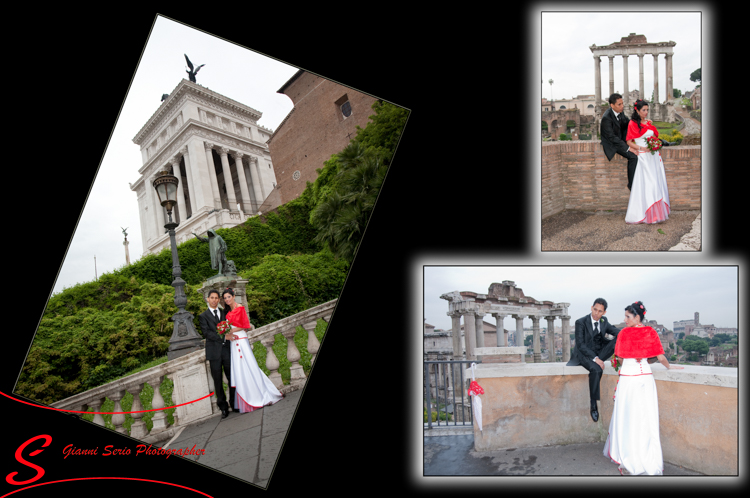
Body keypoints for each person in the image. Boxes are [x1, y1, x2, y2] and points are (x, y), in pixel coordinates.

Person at [603, 301, 684, 475]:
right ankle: (646, 455)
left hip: (628, 378)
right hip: (645, 378)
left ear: (637, 317)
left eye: (627, 316)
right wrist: (670, 367)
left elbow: (620, 359)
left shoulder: (624, 334)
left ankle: (627, 453)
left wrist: (634, 357)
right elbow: (661, 358)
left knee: (628, 416)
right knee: (646, 417)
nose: (625, 320)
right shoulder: (651, 332)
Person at [222, 288, 284, 413]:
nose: (227, 299)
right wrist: (226, 331)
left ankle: (263, 394)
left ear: (233, 296)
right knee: (240, 368)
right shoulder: (228, 311)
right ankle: (248, 395)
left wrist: (230, 331)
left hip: (241, 339)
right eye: (225, 298)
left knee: (249, 364)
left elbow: (246, 325)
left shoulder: (240, 308)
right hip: (234, 342)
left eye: (229, 297)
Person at [566, 298, 620, 422]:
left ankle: (597, 361)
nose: (596, 313)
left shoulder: (604, 321)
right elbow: (580, 345)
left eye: (600, 311)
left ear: (604, 313)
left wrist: (633, 333)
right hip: (583, 355)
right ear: (591, 308)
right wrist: (595, 359)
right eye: (595, 309)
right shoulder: (581, 322)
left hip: (599, 353)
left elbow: (616, 332)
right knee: (596, 370)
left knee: (618, 339)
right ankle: (593, 404)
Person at [624, 99, 672, 224]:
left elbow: (654, 137)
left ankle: (656, 214)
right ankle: (646, 214)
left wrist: (655, 144)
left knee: (657, 182)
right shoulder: (632, 124)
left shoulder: (649, 123)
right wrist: (641, 148)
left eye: (647, 110)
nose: (646, 112)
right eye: (643, 110)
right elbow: (629, 142)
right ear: (637, 110)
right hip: (644, 157)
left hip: (654, 156)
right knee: (649, 184)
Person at [198, 289, 235, 419]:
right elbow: (207, 333)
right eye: (212, 298)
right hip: (214, 353)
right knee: (217, 380)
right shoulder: (203, 316)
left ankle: (234, 402)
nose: (214, 300)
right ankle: (223, 407)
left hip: (227, 350)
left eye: (216, 298)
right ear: (207, 299)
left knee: (232, 377)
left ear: (219, 300)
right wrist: (224, 338)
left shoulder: (224, 312)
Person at [600, 93, 640, 191]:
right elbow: (612, 138)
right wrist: (628, 148)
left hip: (621, 139)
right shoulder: (606, 118)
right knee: (633, 156)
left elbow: (628, 123)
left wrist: (642, 123)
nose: (622, 106)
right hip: (612, 144)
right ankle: (632, 185)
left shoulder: (620, 112)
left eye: (622, 103)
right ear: (612, 105)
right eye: (619, 104)